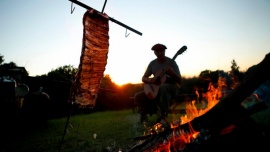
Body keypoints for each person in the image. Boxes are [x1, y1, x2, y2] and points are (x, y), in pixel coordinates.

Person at [134, 43, 182, 124]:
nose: (159, 52)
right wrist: (150, 81)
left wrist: (171, 73)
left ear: (164, 51)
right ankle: (157, 112)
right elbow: (143, 78)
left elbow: (180, 81)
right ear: (154, 53)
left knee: (163, 87)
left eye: (161, 50)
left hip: (172, 87)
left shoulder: (172, 62)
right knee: (138, 96)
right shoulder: (152, 63)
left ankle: (164, 117)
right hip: (157, 89)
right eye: (157, 51)